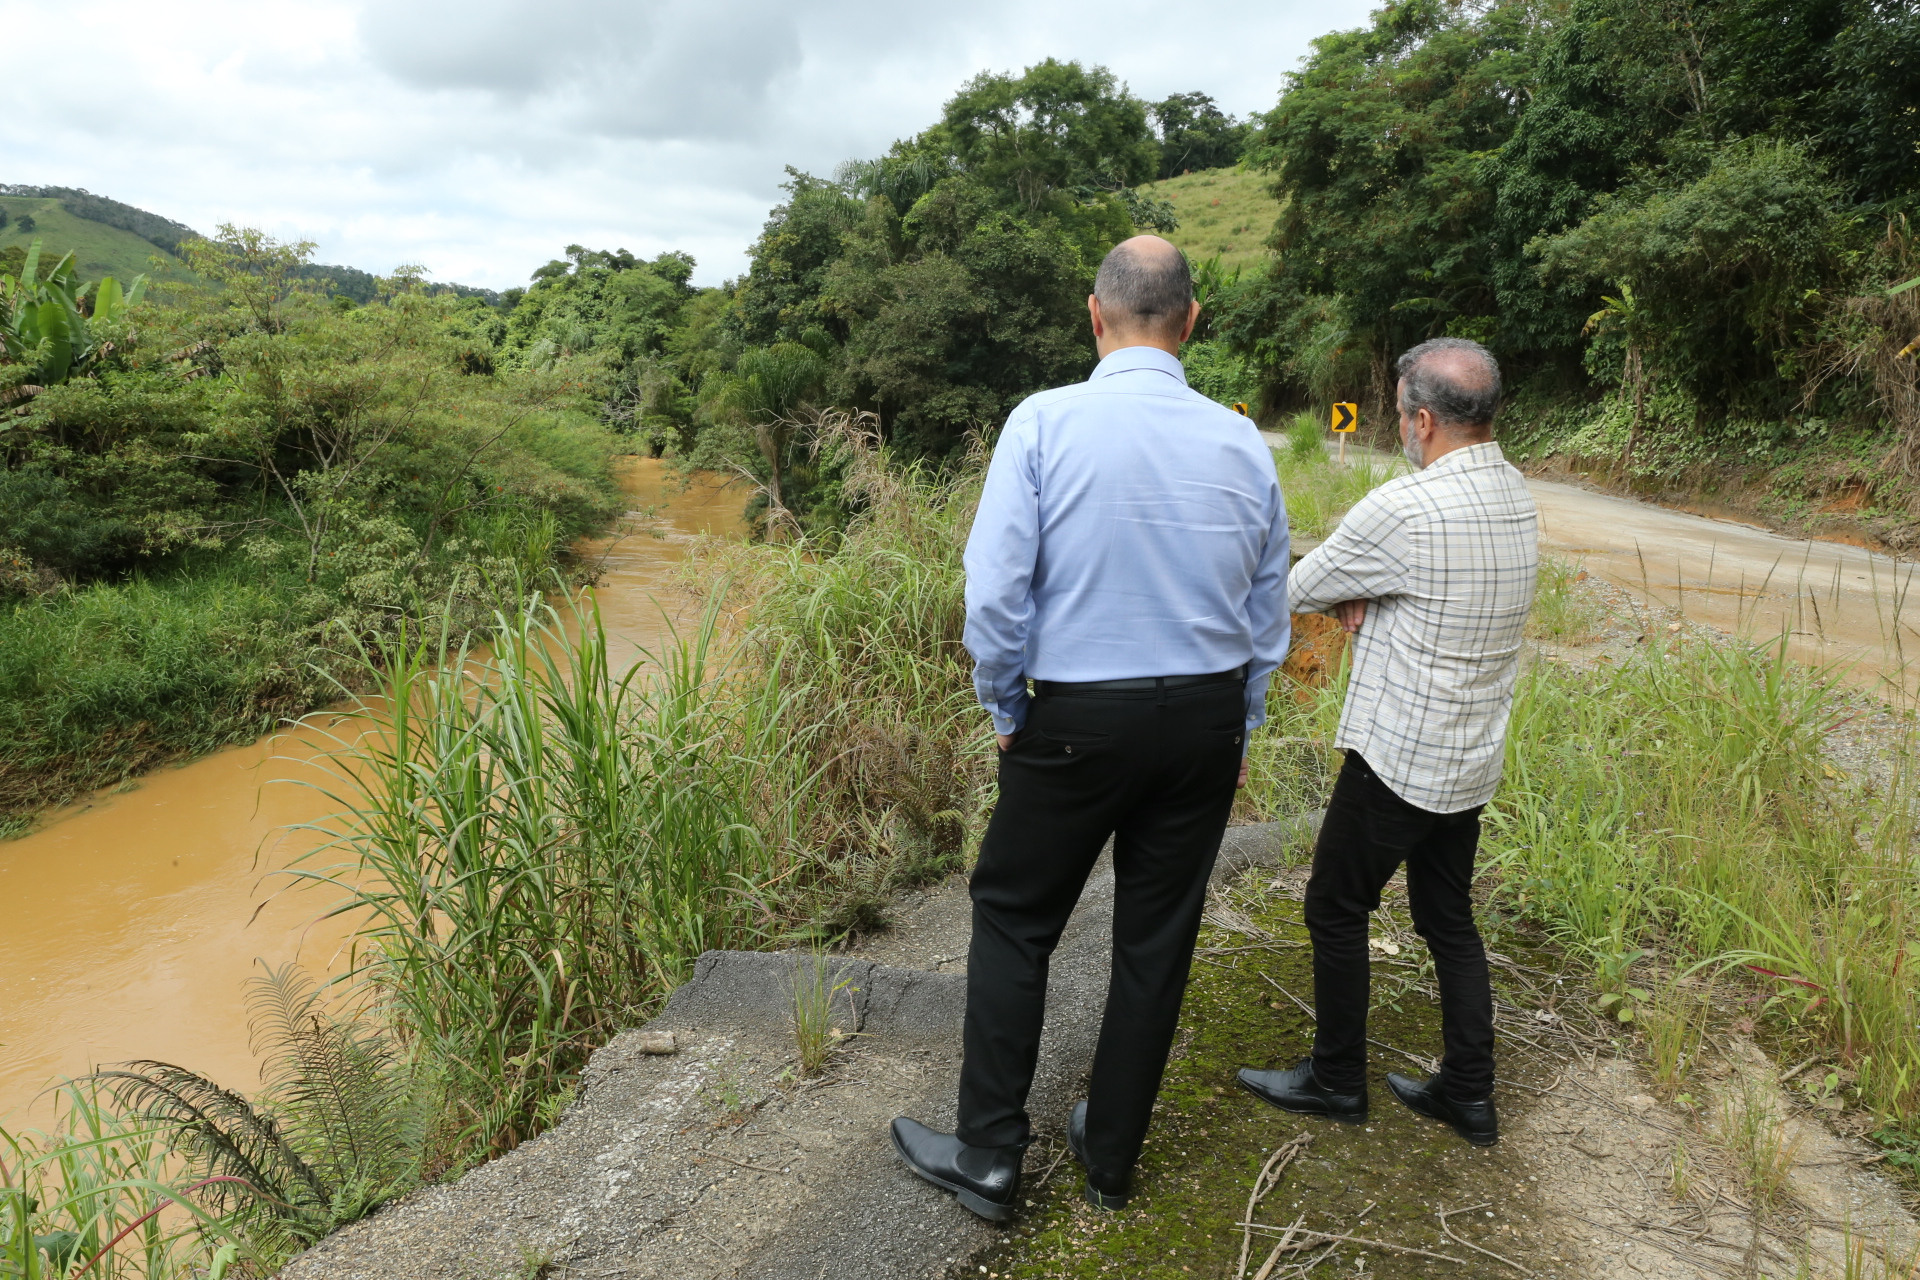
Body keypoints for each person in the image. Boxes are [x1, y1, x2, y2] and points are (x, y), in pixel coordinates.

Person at [889, 235, 1291, 1219]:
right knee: (1158, 935)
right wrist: (1238, 727)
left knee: (1016, 916)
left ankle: (990, 1154)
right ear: (1192, 321)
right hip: (1204, 718)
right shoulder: (1244, 442)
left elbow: (995, 594)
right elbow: (1266, 611)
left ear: (1094, 314)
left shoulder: (1043, 422)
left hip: (1074, 718)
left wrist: (1004, 706)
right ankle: (1110, 1156)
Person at [1236, 337, 1537, 1148]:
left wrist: (1349, 596)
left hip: (1399, 756)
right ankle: (1469, 1092)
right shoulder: (1517, 492)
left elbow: (1296, 588)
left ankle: (1337, 1079)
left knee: (1334, 906)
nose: (1398, 425)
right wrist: (1363, 595)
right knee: (1448, 919)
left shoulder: (1404, 507)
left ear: (1424, 420)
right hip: (1469, 757)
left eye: (1401, 412)